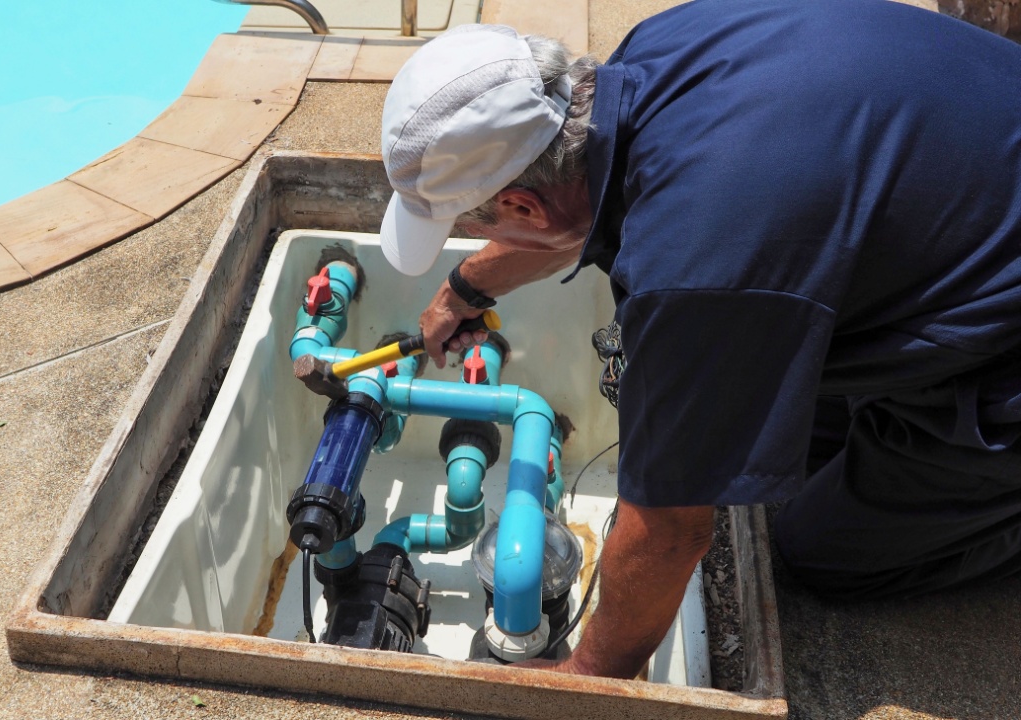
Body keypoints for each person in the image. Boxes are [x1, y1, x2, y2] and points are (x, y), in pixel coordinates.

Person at [376, 0, 1021, 678]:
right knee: (798, 449)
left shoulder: (696, 265)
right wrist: (467, 289)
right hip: (984, 186)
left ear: (520, 207)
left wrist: (586, 678)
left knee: (820, 549)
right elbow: (575, 210)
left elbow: (673, 527)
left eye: (480, 226)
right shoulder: (654, 54)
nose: (483, 240)